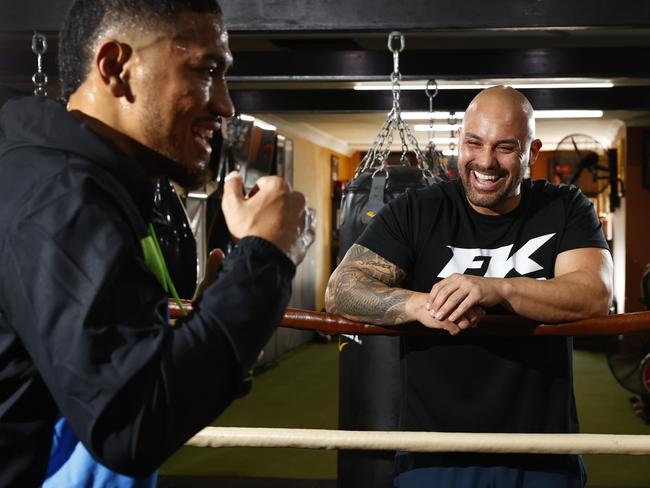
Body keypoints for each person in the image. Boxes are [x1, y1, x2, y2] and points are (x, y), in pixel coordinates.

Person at [0, 0, 315, 486]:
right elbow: (132, 425)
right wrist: (264, 259)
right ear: (116, 68)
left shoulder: (97, 190)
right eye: (206, 70)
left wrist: (216, 309)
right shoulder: (59, 200)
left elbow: (128, 374)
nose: (226, 105)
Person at [326, 86, 613, 487]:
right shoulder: (417, 210)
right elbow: (342, 287)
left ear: (532, 152)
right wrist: (420, 306)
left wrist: (498, 290)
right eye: (474, 143)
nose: (485, 161)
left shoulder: (563, 207)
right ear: (459, 141)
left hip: (540, 452)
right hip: (434, 451)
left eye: (505, 147)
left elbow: (594, 293)